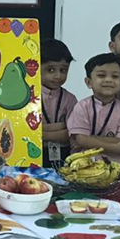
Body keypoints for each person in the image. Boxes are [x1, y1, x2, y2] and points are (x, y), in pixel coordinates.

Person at [67, 53, 120, 168]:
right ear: (89, 82)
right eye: (101, 75)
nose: (108, 80)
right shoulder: (82, 106)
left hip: (117, 166)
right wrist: (115, 147)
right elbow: (81, 139)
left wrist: (90, 138)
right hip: (84, 166)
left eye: (115, 76)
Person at [39, 38, 77, 167]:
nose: (58, 76)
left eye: (63, 70)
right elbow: (23, 132)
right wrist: (60, 127)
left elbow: (72, 134)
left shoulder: (70, 99)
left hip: (63, 152)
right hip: (35, 151)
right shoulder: (27, 97)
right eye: (50, 70)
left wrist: (40, 132)